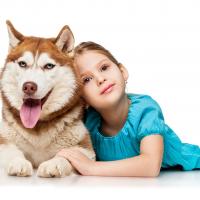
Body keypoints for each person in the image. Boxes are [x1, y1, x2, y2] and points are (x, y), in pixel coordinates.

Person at [57, 41, 200, 177]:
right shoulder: (89, 123)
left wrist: (91, 168)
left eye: (104, 68)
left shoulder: (145, 108)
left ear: (122, 71)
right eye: (86, 80)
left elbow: (150, 166)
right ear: (81, 99)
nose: (100, 79)